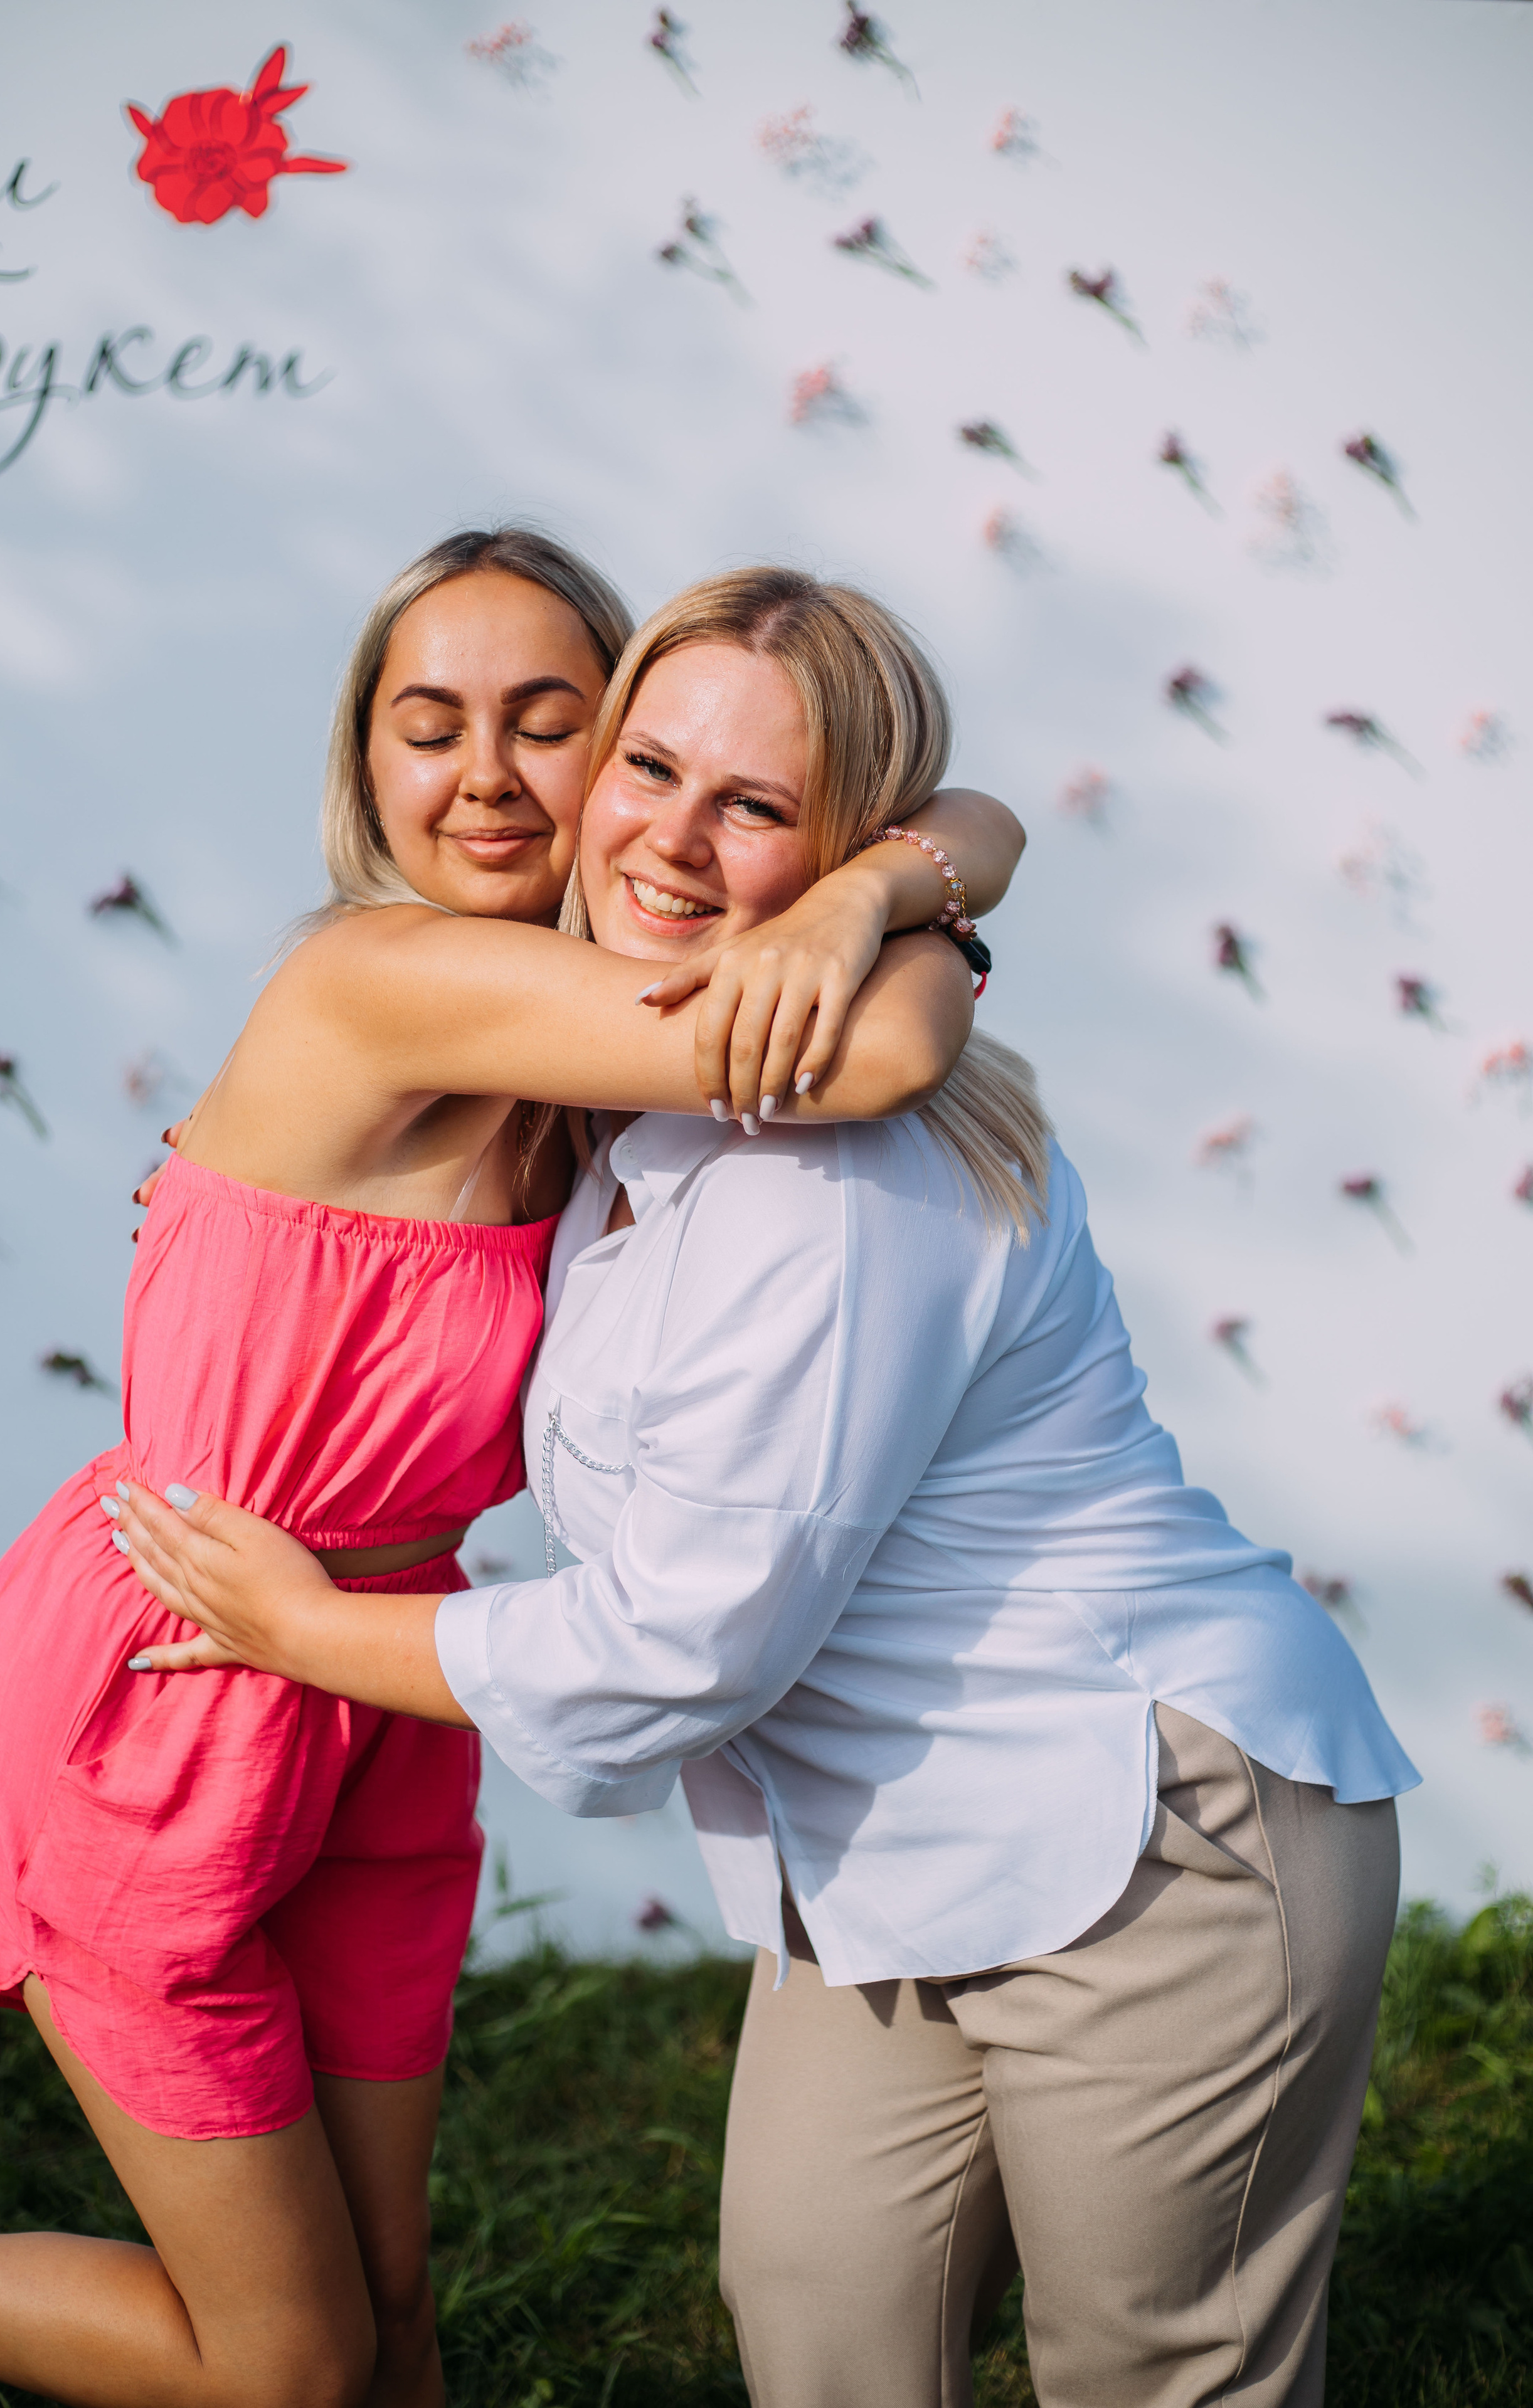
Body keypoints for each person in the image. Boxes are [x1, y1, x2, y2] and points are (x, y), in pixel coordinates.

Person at [113, 564, 1421, 2408]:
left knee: (1148, 2372)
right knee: (817, 2332)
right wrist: (902, 895)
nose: (668, 838)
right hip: (881, 1849)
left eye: (757, 810)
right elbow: (964, 859)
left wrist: (310, 1626)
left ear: (831, 849)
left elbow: (680, 1645)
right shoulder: (632, 1066)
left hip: (1144, 1821)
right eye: (647, 768)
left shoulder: (835, 1177)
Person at [0, 533, 1023, 2408]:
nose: (492, 779)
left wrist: (863, 898)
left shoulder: (575, 1047)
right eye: (432, 729)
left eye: (553, 725)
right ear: (366, 763)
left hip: (383, 1686)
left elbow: (974, 825)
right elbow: (881, 1052)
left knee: (396, 2301)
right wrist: (876, 922)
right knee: (287, 2367)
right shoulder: (384, 982)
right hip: (180, 1683)